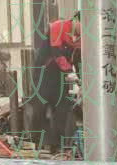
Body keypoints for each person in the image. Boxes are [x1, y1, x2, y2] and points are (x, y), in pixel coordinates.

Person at [32, 13, 80, 153]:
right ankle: (36, 143)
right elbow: (56, 53)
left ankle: (58, 145)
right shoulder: (58, 27)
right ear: (76, 20)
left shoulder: (80, 39)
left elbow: (79, 59)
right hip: (44, 72)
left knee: (62, 108)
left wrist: (82, 81)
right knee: (40, 106)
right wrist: (69, 71)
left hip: (61, 76)